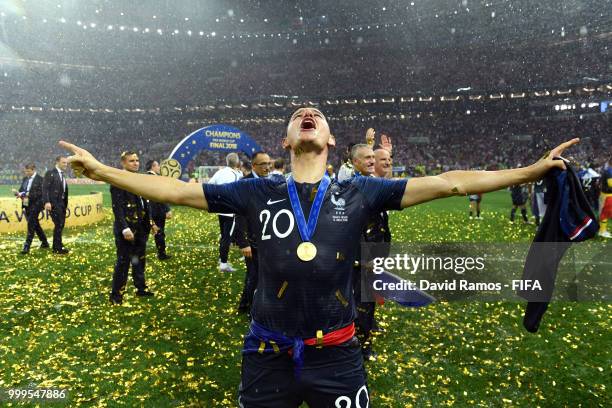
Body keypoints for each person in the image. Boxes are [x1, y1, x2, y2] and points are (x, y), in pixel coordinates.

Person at [60, 107, 578, 407]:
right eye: (297, 117)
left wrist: (530, 172)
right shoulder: (253, 191)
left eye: (318, 117)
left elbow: (449, 182)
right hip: (266, 354)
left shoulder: (362, 192)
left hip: (338, 355)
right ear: (286, 140)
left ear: (329, 140)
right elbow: (169, 191)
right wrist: (104, 171)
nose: (307, 114)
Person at [109, 151, 155, 305]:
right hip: (127, 229)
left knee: (139, 260)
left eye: (137, 160)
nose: (136, 163)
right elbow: (117, 208)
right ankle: (116, 296)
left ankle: (140, 288)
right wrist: (124, 228)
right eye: (131, 161)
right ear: (123, 163)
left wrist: (150, 223)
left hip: (141, 228)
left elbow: (145, 203)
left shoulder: (140, 179)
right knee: (123, 262)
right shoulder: (118, 181)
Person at [236, 151, 271, 314]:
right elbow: (239, 214)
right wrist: (243, 242)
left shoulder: (268, 182)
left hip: (265, 238)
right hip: (252, 239)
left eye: (268, 163)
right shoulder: (244, 183)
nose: (267, 167)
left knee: (259, 274)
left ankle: (246, 304)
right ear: (254, 166)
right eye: (263, 164)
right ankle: (249, 307)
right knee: (254, 275)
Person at [208, 152, 243, 272]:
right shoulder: (238, 175)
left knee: (224, 235)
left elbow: (210, 185)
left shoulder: (220, 172)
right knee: (227, 237)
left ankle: (221, 258)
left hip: (220, 209)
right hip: (230, 211)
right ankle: (223, 264)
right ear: (237, 162)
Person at [13, 163, 49, 254]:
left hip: (36, 204)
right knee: (34, 223)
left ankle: (26, 246)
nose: (27, 173)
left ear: (33, 170)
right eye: (26, 171)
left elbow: (41, 193)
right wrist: (18, 193)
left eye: (28, 171)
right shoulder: (25, 179)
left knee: (31, 224)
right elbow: (22, 190)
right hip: (26, 203)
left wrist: (28, 194)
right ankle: (44, 242)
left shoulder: (41, 179)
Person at [146, 160, 173, 260]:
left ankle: (137, 253)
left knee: (149, 232)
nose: (159, 167)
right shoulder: (155, 178)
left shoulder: (145, 177)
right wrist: (167, 209)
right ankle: (161, 254)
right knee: (159, 232)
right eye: (157, 165)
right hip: (157, 210)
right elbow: (160, 196)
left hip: (149, 209)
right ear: (153, 167)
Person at [42, 156, 69, 254]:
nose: (66, 165)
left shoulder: (62, 174)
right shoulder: (50, 173)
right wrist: (47, 202)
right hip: (54, 204)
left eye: (66, 163)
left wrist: (64, 203)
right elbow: (45, 188)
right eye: (63, 163)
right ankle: (57, 248)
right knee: (59, 224)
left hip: (61, 204)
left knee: (60, 225)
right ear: (57, 162)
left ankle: (58, 245)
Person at [599, 160, 612, 238]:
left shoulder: (608, 171)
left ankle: (602, 231)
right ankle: (602, 231)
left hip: (605, 195)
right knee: (605, 214)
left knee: (605, 214)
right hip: (608, 196)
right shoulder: (609, 172)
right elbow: (611, 184)